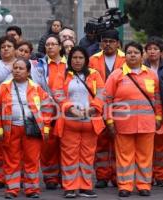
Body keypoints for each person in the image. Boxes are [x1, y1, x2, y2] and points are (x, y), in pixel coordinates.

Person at [104, 41, 163, 197]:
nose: (132, 55)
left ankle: (144, 185)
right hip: (123, 124)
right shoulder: (116, 75)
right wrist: (109, 121)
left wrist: (158, 117)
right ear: (125, 55)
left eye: (136, 52)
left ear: (142, 54)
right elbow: (107, 100)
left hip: (147, 124)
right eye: (129, 52)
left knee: (145, 157)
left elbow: (157, 98)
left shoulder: (151, 74)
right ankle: (125, 186)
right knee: (124, 157)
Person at [0, 58, 52, 199]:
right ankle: (12, 189)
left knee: (32, 160)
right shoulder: (3, 87)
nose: (17, 71)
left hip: (32, 129)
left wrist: (46, 128)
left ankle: (32, 189)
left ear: (28, 71)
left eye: (21, 68)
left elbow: (47, 107)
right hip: (11, 129)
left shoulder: (37, 88)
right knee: (11, 160)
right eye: (15, 68)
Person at [53, 46, 105, 198]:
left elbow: (102, 94)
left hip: (90, 121)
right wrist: (70, 108)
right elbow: (57, 94)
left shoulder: (95, 74)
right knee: (69, 156)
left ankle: (85, 187)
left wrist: (93, 108)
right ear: (70, 59)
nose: (77, 60)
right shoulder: (62, 74)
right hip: (70, 122)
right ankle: (70, 187)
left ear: (86, 60)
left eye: (80, 58)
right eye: (74, 58)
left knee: (88, 156)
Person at [89, 29, 126, 189]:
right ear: (100, 43)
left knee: (120, 144)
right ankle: (102, 176)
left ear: (118, 43)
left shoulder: (126, 58)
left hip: (120, 107)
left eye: (111, 41)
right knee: (101, 144)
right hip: (99, 106)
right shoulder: (92, 60)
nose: (108, 44)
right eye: (105, 41)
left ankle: (118, 176)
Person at [31, 34, 67, 190]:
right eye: (47, 45)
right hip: (48, 112)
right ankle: (50, 177)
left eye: (53, 44)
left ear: (60, 46)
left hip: (67, 111)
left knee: (66, 145)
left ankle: (65, 177)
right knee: (48, 145)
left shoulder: (70, 64)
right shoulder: (40, 66)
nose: (50, 47)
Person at [0, 36, 18, 188]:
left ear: (15, 49)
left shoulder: (20, 65)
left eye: (9, 46)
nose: (6, 49)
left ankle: (13, 175)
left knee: (14, 146)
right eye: (3, 46)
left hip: (15, 109)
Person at [143, 37, 163, 187]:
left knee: (161, 147)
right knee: (146, 147)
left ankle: (161, 175)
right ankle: (148, 175)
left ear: (161, 52)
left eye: (155, 49)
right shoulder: (141, 68)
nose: (152, 52)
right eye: (149, 49)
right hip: (146, 112)